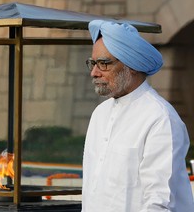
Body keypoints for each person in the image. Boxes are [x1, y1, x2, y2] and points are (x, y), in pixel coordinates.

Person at [82, 20, 194, 211]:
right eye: (93, 63)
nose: (94, 72)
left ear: (131, 65)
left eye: (104, 64)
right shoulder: (100, 114)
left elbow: (159, 202)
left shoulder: (160, 118)